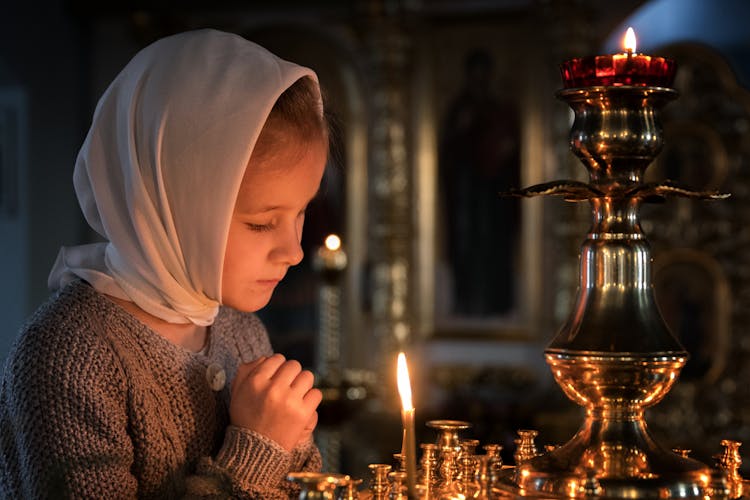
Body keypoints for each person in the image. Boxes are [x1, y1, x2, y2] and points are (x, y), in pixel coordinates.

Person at [0, 28, 331, 498]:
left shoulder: (240, 330)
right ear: (174, 205)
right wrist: (258, 451)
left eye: (301, 213)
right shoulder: (68, 357)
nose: (295, 251)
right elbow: (263, 465)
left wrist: (290, 442)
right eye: (262, 223)